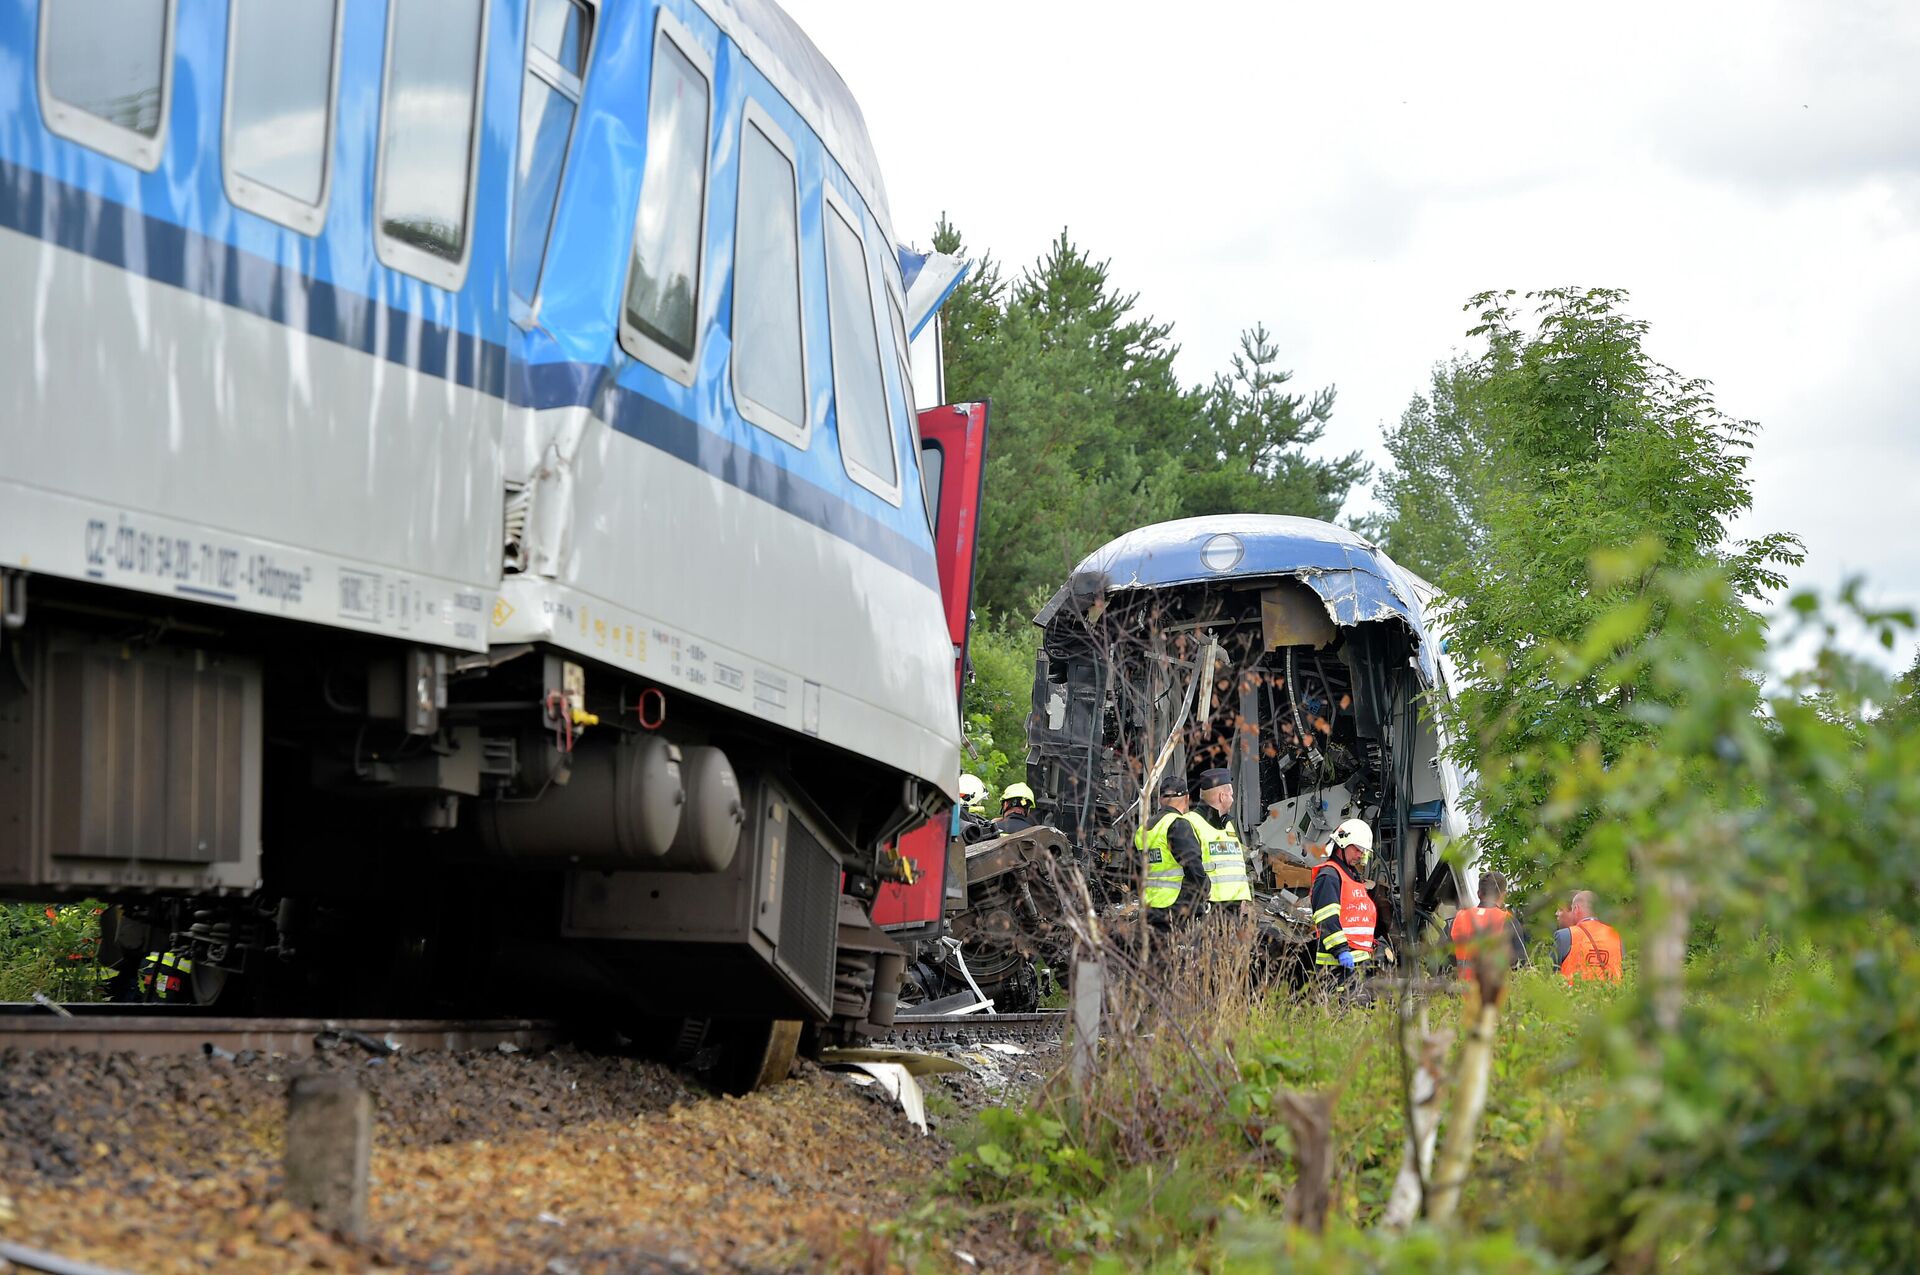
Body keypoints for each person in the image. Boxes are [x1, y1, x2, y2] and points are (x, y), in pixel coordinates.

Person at [1136, 774, 1211, 924]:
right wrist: (1205, 888)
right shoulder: (1178, 824)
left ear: (1160, 800)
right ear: (1186, 798)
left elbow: (1135, 871)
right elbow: (1193, 865)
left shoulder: (1143, 830)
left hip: (1150, 907)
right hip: (1176, 907)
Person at [1311, 819, 1377, 981]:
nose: (1360, 855)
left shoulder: (1351, 876)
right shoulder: (1329, 876)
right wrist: (1341, 950)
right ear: (1343, 844)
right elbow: (1326, 918)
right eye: (1357, 849)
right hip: (1337, 965)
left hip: (1356, 962)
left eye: (1363, 851)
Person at [1448, 870, 1528, 981]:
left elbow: (1446, 962)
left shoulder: (1459, 918)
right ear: (1503, 894)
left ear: (1478, 894)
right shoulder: (1507, 920)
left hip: (1462, 992)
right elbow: (1520, 963)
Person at [1193, 767, 1252, 913]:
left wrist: (1243, 896)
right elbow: (1190, 866)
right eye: (1231, 795)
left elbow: (1235, 865)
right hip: (1210, 905)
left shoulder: (1228, 825)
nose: (1232, 799)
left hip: (1233, 906)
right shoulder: (1191, 822)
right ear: (1222, 797)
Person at [1553, 890, 1624, 983]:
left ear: (1576, 909)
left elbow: (1548, 973)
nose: (1556, 913)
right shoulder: (1616, 936)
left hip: (1573, 996)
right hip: (1610, 996)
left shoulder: (1565, 935)